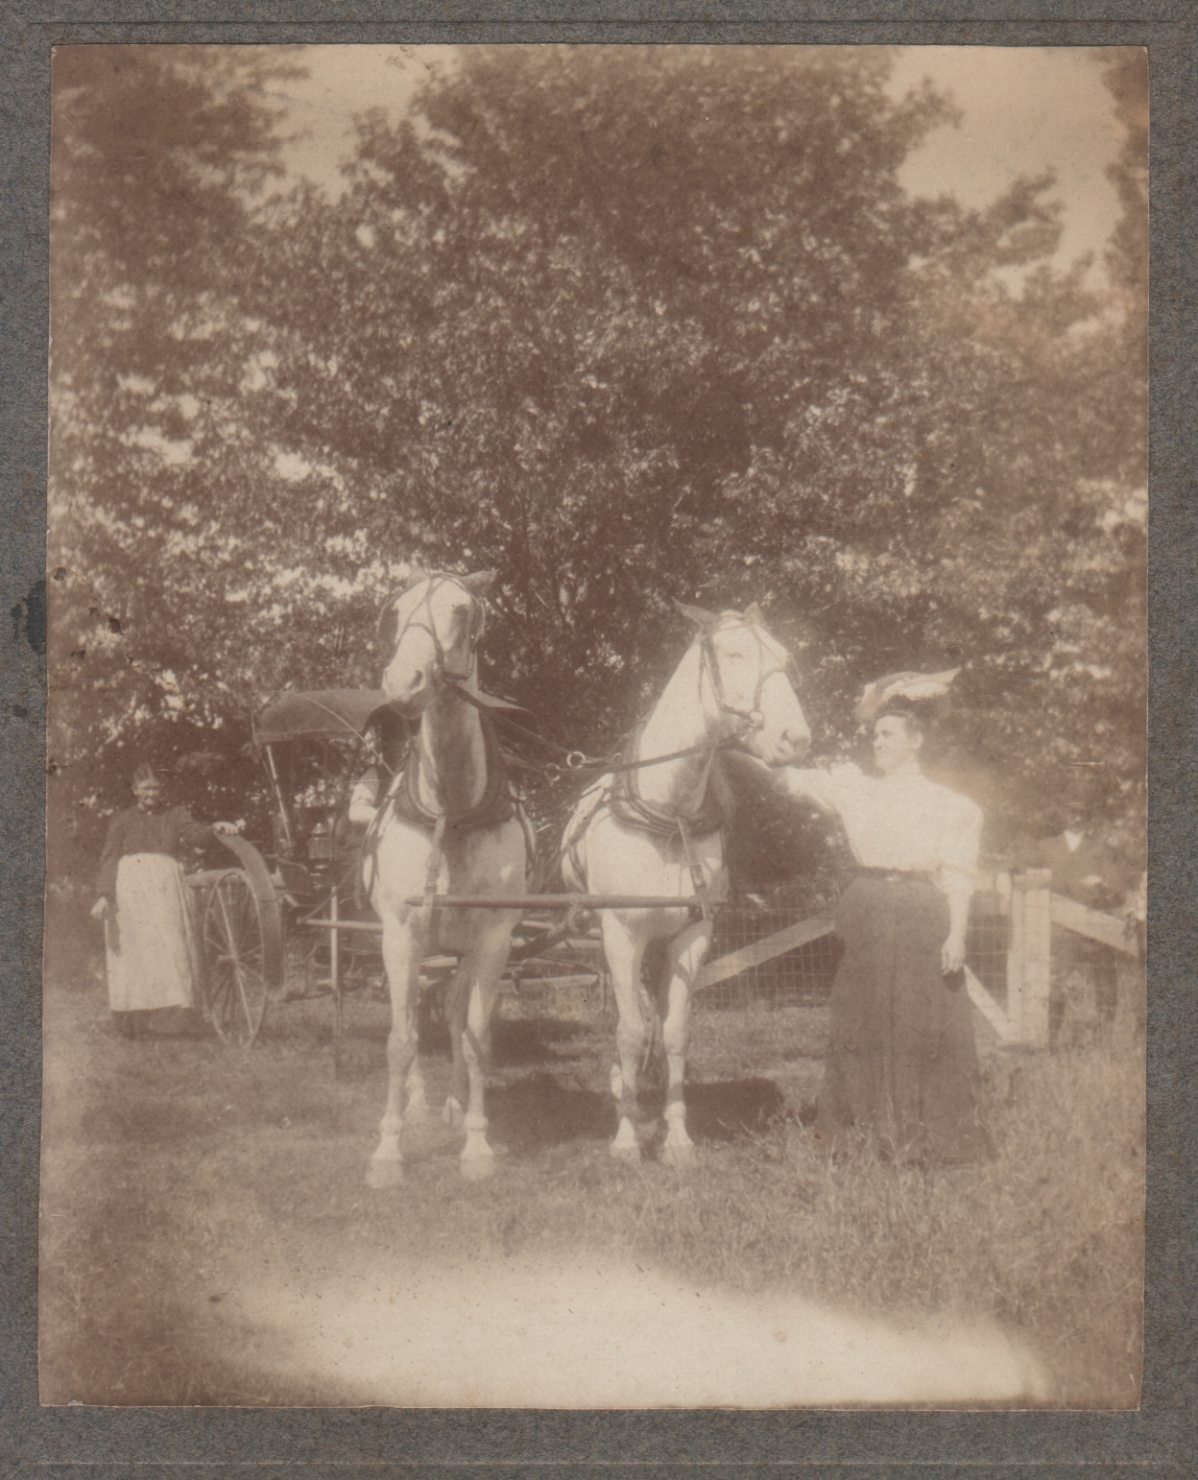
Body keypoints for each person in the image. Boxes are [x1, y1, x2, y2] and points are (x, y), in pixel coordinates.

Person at [766, 690, 993, 1164]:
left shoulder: (951, 805)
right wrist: (748, 747)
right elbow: (789, 781)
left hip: (920, 911)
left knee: (918, 1019)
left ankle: (926, 1133)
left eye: (888, 734)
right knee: (860, 1017)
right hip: (866, 907)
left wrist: (957, 935)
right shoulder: (856, 790)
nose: (878, 742)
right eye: (874, 735)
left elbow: (958, 878)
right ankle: (859, 1134)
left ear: (916, 741)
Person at [90, 763, 236, 1038]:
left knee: (171, 948)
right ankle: (134, 1022)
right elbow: (109, 858)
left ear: (162, 790)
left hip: (166, 890)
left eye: (156, 788)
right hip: (131, 892)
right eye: (145, 788)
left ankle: (175, 1023)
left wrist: (214, 828)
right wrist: (104, 895)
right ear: (135, 791)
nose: (151, 793)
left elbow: (194, 833)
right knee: (135, 953)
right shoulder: (122, 819)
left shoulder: (175, 815)